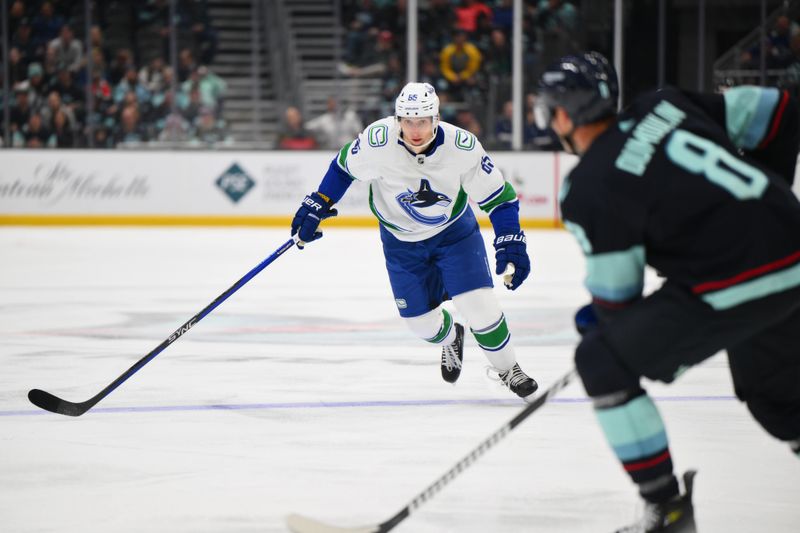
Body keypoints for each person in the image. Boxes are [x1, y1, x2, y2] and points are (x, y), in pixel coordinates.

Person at [535, 51, 800, 532]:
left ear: (564, 112)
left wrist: (598, 321)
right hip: (793, 251)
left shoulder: (590, 184)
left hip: (738, 280)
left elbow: (618, 301)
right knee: (778, 401)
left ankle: (668, 511)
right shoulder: (665, 104)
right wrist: (768, 203)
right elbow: (780, 112)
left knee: (601, 362)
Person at [290, 82, 539, 399]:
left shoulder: (462, 147)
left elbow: (499, 198)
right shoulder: (377, 141)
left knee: (480, 306)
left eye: (422, 121)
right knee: (420, 324)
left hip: (454, 235)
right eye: (408, 121)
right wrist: (318, 204)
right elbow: (342, 169)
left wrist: (510, 239)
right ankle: (451, 337)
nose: (415, 129)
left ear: (436, 119)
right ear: (398, 120)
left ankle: (508, 369)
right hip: (400, 243)